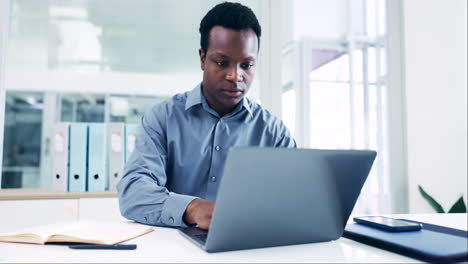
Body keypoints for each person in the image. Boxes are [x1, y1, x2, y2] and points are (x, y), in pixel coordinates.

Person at [117, 2, 296, 230]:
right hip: (173, 249)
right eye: (222, 63)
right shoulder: (163, 118)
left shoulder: (273, 132)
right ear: (202, 58)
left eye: (247, 65)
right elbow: (133, 193)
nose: (235, 76)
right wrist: (191, 208)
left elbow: (295, 197)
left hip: (247, 248)